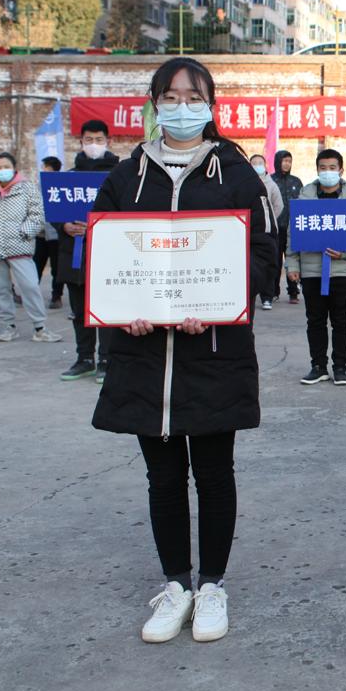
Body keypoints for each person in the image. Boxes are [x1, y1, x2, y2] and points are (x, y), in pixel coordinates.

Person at [90, 56, 277, 644]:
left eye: (192, 96)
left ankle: (213, 587)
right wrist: (127, 311)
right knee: (163, 477)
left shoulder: (239, 175)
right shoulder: (127, 176)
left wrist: (218, 304)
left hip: (213, 349)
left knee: (215, 473)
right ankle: (175, 586)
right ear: (153, 103)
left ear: (212, 104)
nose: (181, 106)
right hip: (144, 354)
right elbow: (105, 259)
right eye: (168, 96)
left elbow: (265, 260)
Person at [0, 152, 62, 345]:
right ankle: (8, 326)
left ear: (14, 168)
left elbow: (37, 214)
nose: (2, 170)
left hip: (19, 247)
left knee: (30, 286)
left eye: (6, 166)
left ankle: (40, 328)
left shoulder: (27, 189)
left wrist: (24, 232)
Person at [287, 148, 346, 386]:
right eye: (323, 168)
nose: (328, 172)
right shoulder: (305, 198)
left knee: (341, 320)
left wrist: (345, 252)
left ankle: (340, 366)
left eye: (332, 168)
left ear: (341, 170)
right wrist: (292, 264)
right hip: (311, 270)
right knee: (315, 320)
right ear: (317, 170)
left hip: (341, 270)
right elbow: (292, 235)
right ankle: (318, 366)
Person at [57, 121, 121, 382]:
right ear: (80, 142)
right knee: (79, 309)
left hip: (107, 253)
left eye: (98, 138)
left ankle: (106, 359)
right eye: (88, 139)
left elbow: (127, 210)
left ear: (108, 141)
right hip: (74, 252)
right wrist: (65, 225)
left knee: (105, 309)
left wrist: (97, 226)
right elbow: (55, 210)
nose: (93, 144)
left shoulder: (119, 175)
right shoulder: (69, 176)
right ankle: (84, 358)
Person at [249, 154, 286, 310]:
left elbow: (279, 205)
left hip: (269, 231)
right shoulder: (246, 183)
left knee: (269, 263)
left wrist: (268, 220)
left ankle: (267, 296)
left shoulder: (271, 184)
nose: (257, 165)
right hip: (249, 231)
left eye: (260, 163)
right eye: (254, 163)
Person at [271, 150, 303, 304]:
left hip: (294, 227)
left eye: (289, 161)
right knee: (275, 261)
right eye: (284, 160)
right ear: (278, 162)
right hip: (276, 228)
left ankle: (293, 292)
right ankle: (273, 291)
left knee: (293, 261)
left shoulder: (296, 181)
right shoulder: (270, 181)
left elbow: (303, 202)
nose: (287, 164)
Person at [35, 156, 65, 311]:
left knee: (56, 268)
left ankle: (56, 296)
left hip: (55, 234)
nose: (43, 169)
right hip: (40, 234)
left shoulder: (60, 186)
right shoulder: (38, 186)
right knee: (36, 265)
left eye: (45, 167)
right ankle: (32, 295)